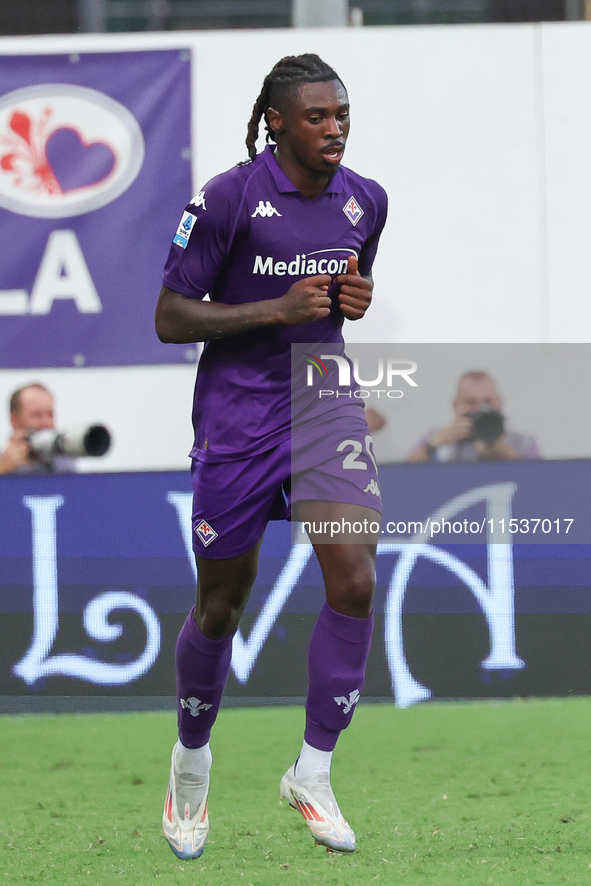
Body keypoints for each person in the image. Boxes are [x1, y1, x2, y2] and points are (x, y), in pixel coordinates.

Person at [155, 54, 388, 858]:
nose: (335, 128)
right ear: (278, 122)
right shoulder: (226, 198)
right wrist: (271, 309)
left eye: (342, 114)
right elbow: (169, 317)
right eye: (318, 117)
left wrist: (349, 302)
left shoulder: (366, 200)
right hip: (238, 414)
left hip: (321, 394)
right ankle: (190, 764)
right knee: (222, 601)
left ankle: (312, 772)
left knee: (354, 576)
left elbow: (336, 300)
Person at [407, 370, 541, 463]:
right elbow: (401, 479)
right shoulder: (434, 438)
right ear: (455, 406)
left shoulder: (523, 443)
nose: (480, 410)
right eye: (470, 402)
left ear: (500, 404)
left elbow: (541, 482)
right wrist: (434, 445)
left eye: (488, 402)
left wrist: (503, 453)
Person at [0, 383, 76, 475]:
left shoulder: (65, 463)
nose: (46, 423)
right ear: (14, 420)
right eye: (36, 415)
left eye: (50, 415)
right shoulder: (5, 463)